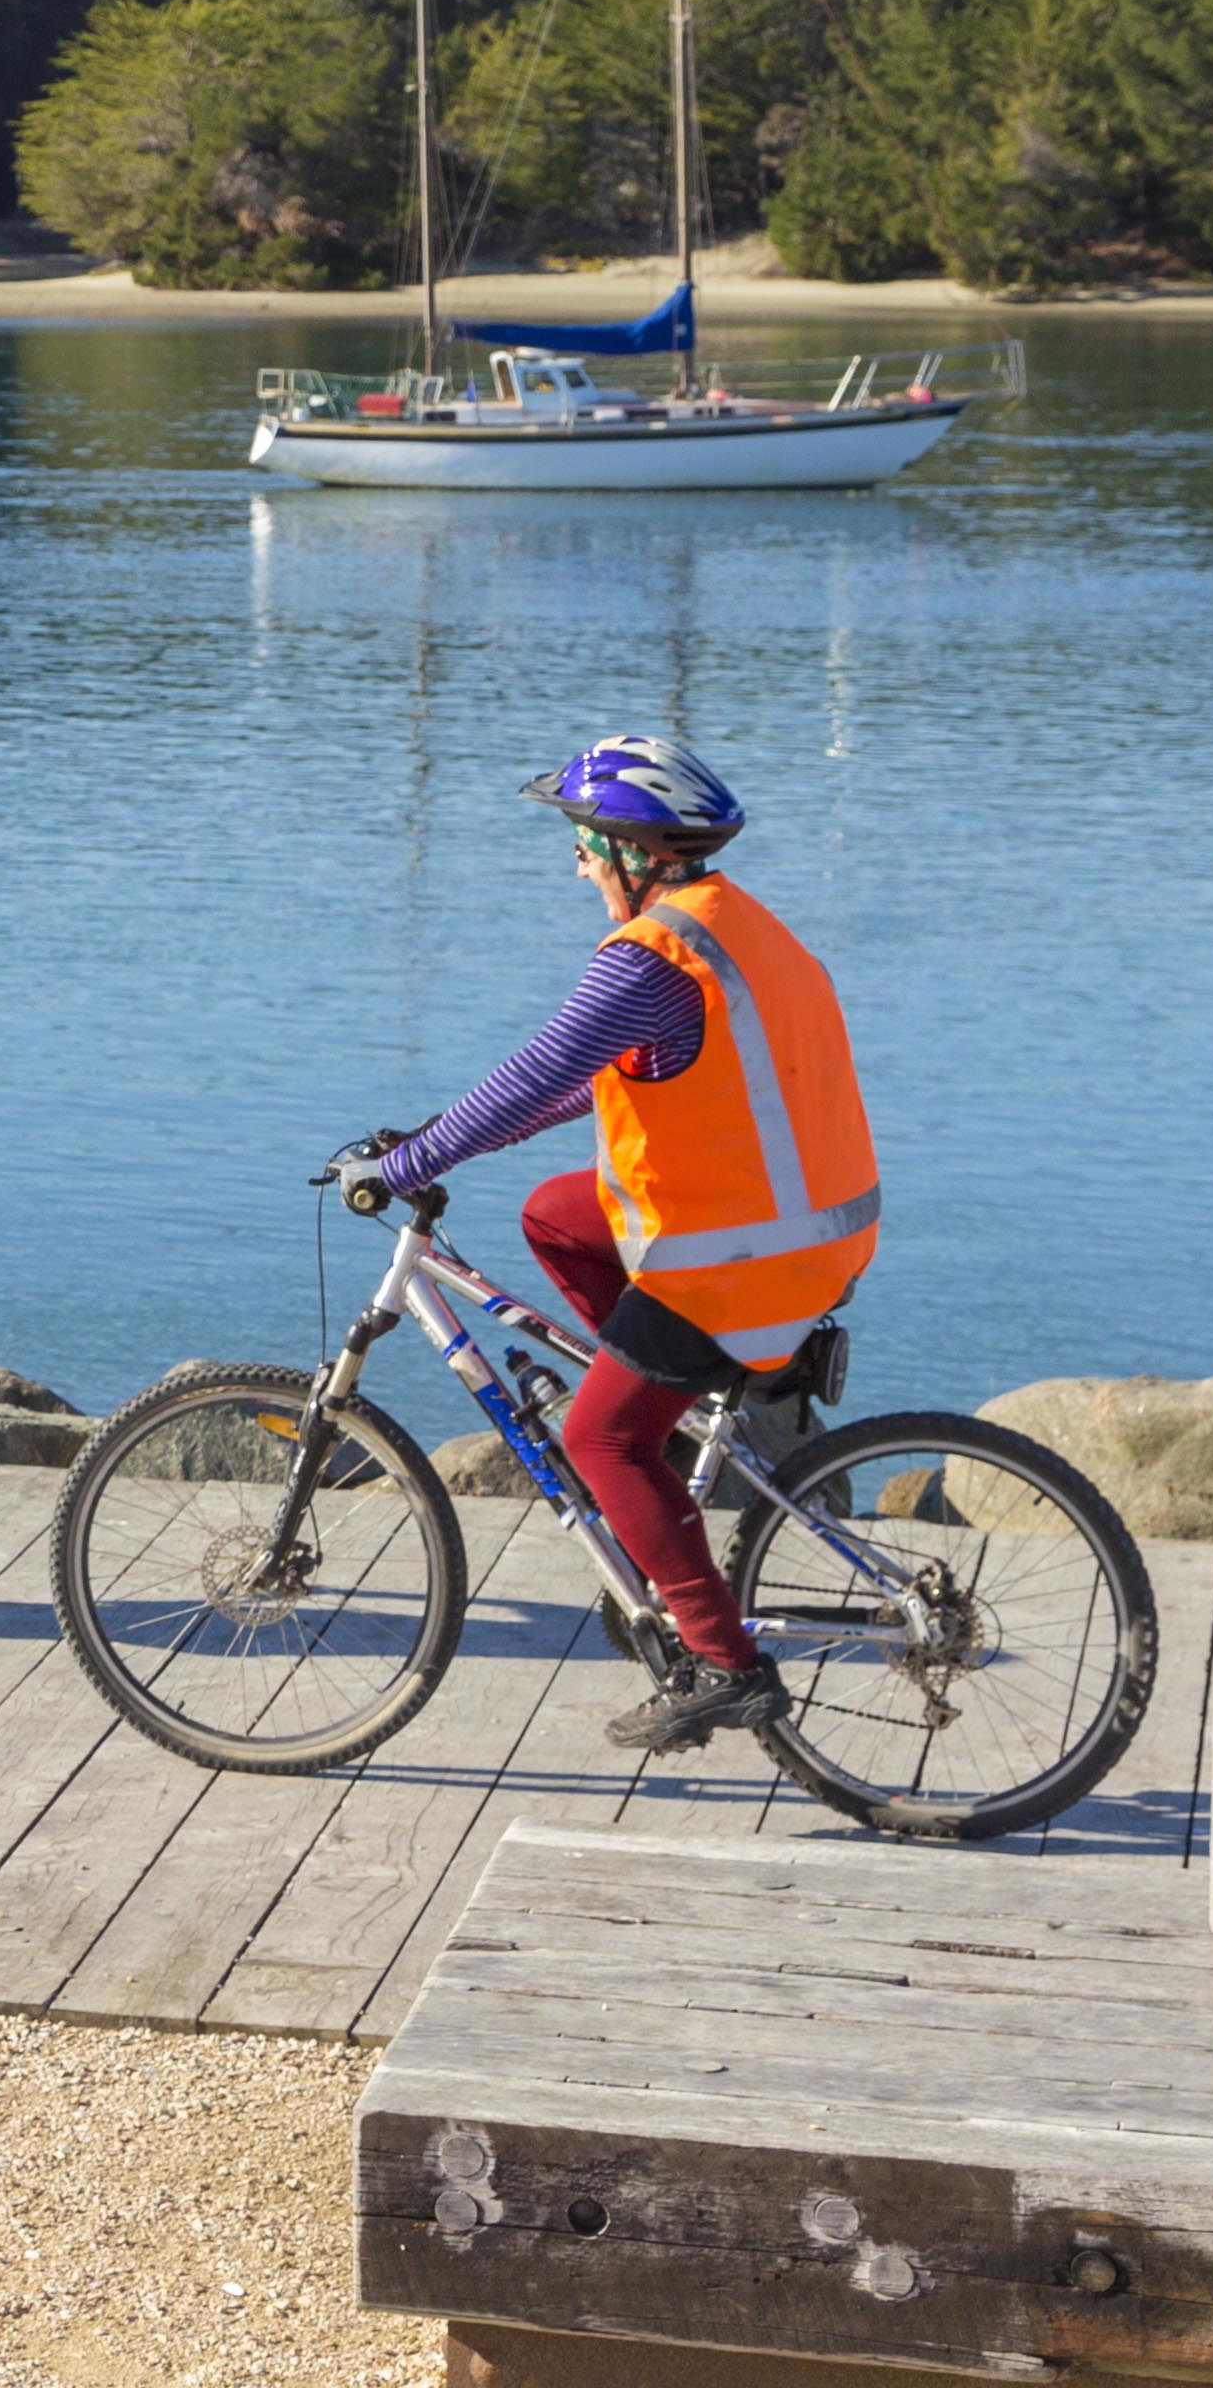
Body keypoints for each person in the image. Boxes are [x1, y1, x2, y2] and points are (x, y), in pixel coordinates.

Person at [357, 734, 882, 1754]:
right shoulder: (735, 927)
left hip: (744, 1254)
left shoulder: (650, 960)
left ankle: (727, 1667)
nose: (579, 863)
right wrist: (427, 1142)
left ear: (636, 852)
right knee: (556, 1214)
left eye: (586, 844)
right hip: (799, 1225)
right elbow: (569, 1087)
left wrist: (406, 1168)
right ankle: (687, 1423)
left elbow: (531, 1070)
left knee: (601, 1440)